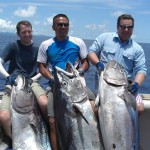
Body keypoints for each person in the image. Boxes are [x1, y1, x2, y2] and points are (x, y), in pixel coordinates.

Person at [37, 14, 95, 150]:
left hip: (76, 84)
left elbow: (85, 62)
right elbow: (41, 67)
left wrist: (80, 71)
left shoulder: (78, 42)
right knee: (52, 121)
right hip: (56, 86)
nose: (63, 27)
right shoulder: (46, 45)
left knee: (94, 109)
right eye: (59, 24)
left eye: (66, 24)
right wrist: (51, 78)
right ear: (53, 27)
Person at [0, 20, 48, 147]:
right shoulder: (12, 46)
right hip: (14, 82)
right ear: (18, 34)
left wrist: (35, 79)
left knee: (44, 102)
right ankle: (12, 138)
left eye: (29, 31)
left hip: (31, 82)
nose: (27, 34)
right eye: (24, 32)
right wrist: (8, 76)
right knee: (4, 116)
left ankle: (46, 132)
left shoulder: (37, 49)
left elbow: (45, 68)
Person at [88, 14, 147, 115]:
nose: (126, 30)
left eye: (130, 27)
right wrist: (97, 63)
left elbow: (141, 69)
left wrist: (136, 84)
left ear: (133, 28)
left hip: (124, 87)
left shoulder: (137, 48)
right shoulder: (104, 38)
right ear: (117, 26)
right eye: (123, 26)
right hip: (104, 85)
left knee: (139, 108)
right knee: (96, 110)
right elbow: (91, 52)